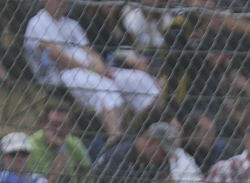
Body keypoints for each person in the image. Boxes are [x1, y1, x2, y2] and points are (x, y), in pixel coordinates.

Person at [23, 0, 162, 140]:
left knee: (140, 79)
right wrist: (93, 69)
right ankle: (117, 137)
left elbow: (89, 51)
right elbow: (57, 56)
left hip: (92, 70)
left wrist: (101, 68)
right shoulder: (37, 23)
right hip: (63, 75)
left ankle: (151, 127)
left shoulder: (71, 24)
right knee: (105, 87)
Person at [25, 105, 91, 183]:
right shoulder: (30, 146)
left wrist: (61, 147)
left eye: (64, 125)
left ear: (70, 128)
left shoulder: (74, 143)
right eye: (54, 124)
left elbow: (87, 174)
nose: (59, 129)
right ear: (44, 124)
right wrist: (61, 151)